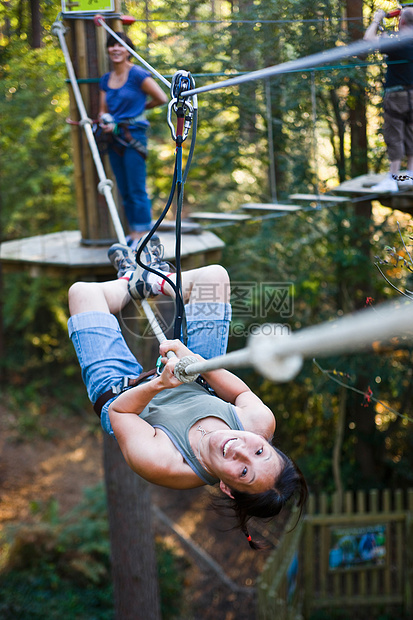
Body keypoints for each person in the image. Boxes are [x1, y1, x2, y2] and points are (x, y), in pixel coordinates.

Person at [67, 239, 308, 548]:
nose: (241, 449)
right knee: (214, 277)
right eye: (260, 451)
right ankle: (152, 280)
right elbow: (240, 392)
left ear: (228, 488)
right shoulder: (259, 424)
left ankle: (130, 281)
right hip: (193, 377)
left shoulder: (168, 466)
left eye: (244, 471)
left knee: (83, 293)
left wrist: (158, 384)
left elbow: (120, 413)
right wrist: (194, 361)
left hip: (121, 391)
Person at [98, 33, 168, 244]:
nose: (115, 49)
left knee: (137, 188)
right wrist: (105, 120)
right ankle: (134, 233)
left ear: (128, 50)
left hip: (133, 137)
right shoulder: (105, 80)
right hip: (113, 138)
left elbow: (162, 98)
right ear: (108, 50)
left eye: (120, 46)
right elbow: (103, 110)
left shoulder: (137, 74)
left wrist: (140, 110)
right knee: (124, 189)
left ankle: (144, 235)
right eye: (112, 46)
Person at [364, 7, 413, 192]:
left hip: (397, 96)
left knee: (395, 136)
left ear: (401, 22)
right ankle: (409, 175)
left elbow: (368, 39)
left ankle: (393, 178)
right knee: (411, 134)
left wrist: (377, 19)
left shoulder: (397, 42)